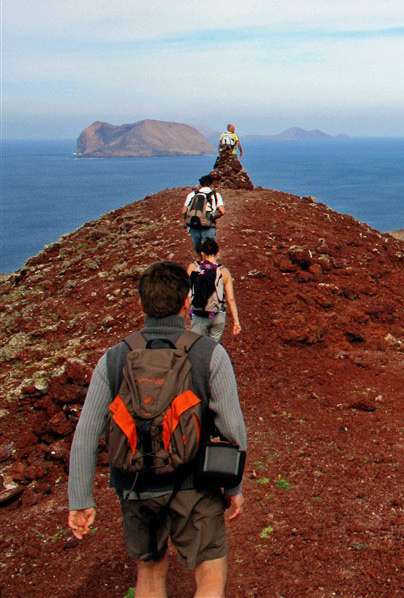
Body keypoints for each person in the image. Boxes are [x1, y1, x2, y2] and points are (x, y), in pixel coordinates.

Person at [67, 261, 247, 598]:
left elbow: (88, 433)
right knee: (210, 574)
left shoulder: (114, 358)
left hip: (137, 486)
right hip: (198, 485)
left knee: (149, 575)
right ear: (185, 303)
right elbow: (233, 428)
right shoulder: (210, 354)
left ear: (141, 304)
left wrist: (80, 499)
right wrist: (233, 485)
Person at [187, 238, 242, 342]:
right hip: (217, 315)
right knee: (213, 348)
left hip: (199, 315)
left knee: (197, 347)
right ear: (218, 253)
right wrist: (236, 322)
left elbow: (187, 293)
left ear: (202, 253)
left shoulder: (192, 268)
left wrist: (188, 311)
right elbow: (230, 299)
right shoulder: (224, 272)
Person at [182, 175, 224, 255]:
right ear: (211, 184)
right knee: (209, 250)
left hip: (194, 226)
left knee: (197, 250)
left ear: (200, 184)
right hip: (209, 226)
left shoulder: (192, 194)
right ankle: (209, 266)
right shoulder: (215, 195)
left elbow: (184, 211)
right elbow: (222, 211)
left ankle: (199, 265)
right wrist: (211, 217)